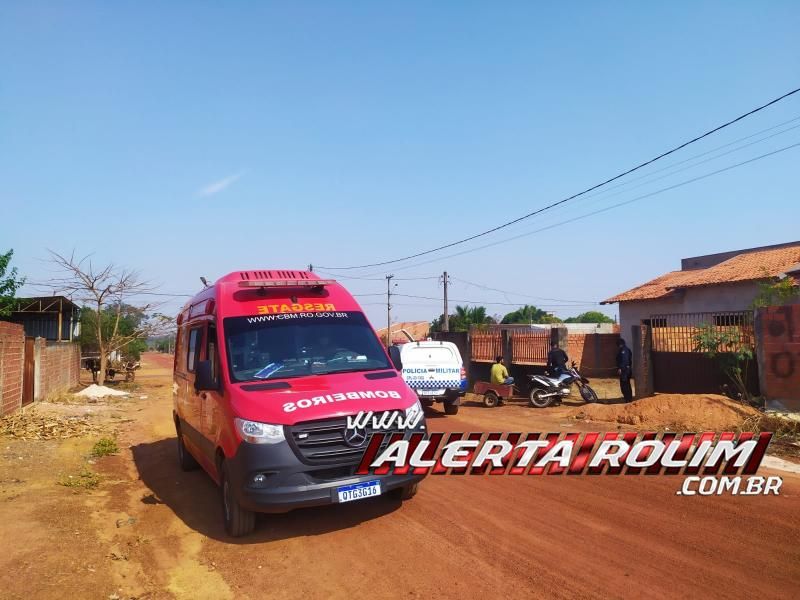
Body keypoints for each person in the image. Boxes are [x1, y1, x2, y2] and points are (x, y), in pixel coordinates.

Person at [616, 338, 633, 402]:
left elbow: (624, 360)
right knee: (627, 384)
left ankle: (627, 399)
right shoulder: (627, 349)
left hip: (624, 371)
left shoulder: (623, 351)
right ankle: (628, 398)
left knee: (624, 385)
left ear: (620, 344)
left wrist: (620, 368)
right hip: (627, 370)